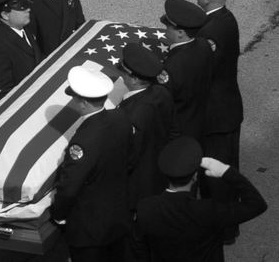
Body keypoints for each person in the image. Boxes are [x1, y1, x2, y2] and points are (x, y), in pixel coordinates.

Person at [136, 136, 268, 262]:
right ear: (195, 176)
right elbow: (257, 204)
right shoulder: (209, 211)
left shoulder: (146, 209)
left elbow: (139, 251)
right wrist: (226, 171)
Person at [51, 65, 132, 262]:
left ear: (84, 103)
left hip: (89, 229)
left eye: (74, 98)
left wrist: (59, 215)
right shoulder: (120, 118)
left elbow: (70, 186)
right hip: (118, 216)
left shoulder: (84, 140)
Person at [192, 0, 243, 242]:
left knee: (217, 175)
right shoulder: (226, 19)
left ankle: (222, 230)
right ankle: (228, 224)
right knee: (226, 171)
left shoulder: (210, 32)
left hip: (215, 116)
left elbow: (200, 72)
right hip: (227, 110)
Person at [117, 43, 176, 203]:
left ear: (135, 79)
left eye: (124, 73)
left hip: (138, 185)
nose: (122, 76)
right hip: (159, 170)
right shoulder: (161, 92)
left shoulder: (132, 114)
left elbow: (129, 156)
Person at [161, 0, 213, 140]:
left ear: (180, 33)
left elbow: (164, 103)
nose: (166, 31)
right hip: (201, 120)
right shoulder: (204, 45)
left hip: (179, 131)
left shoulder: (171, 67)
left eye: (168, 27)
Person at [0, 0, 42, 96]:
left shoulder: (22, 23)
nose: (28, 9)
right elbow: (6, 86)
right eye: (22, 7)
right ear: (5, 15)